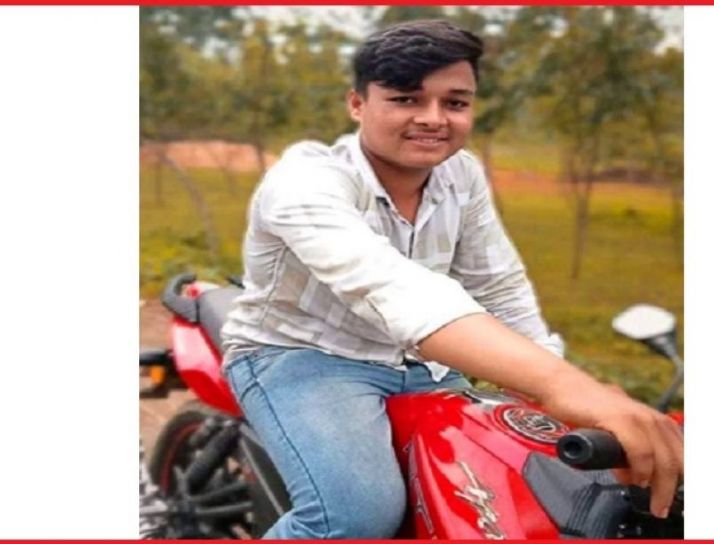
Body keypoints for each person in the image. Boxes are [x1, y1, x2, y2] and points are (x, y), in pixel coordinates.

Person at [221, 19, 683, 539]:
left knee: (494, 492)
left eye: (455, 102)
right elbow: (393, 288)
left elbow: (498, 287)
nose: (433, 119)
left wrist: (556, 384)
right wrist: (564, 386)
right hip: (303, 355)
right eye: (406, 99)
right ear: (357, 104)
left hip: (422, 365)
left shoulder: (461, 174)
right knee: (354, 518)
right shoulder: (305, 180)